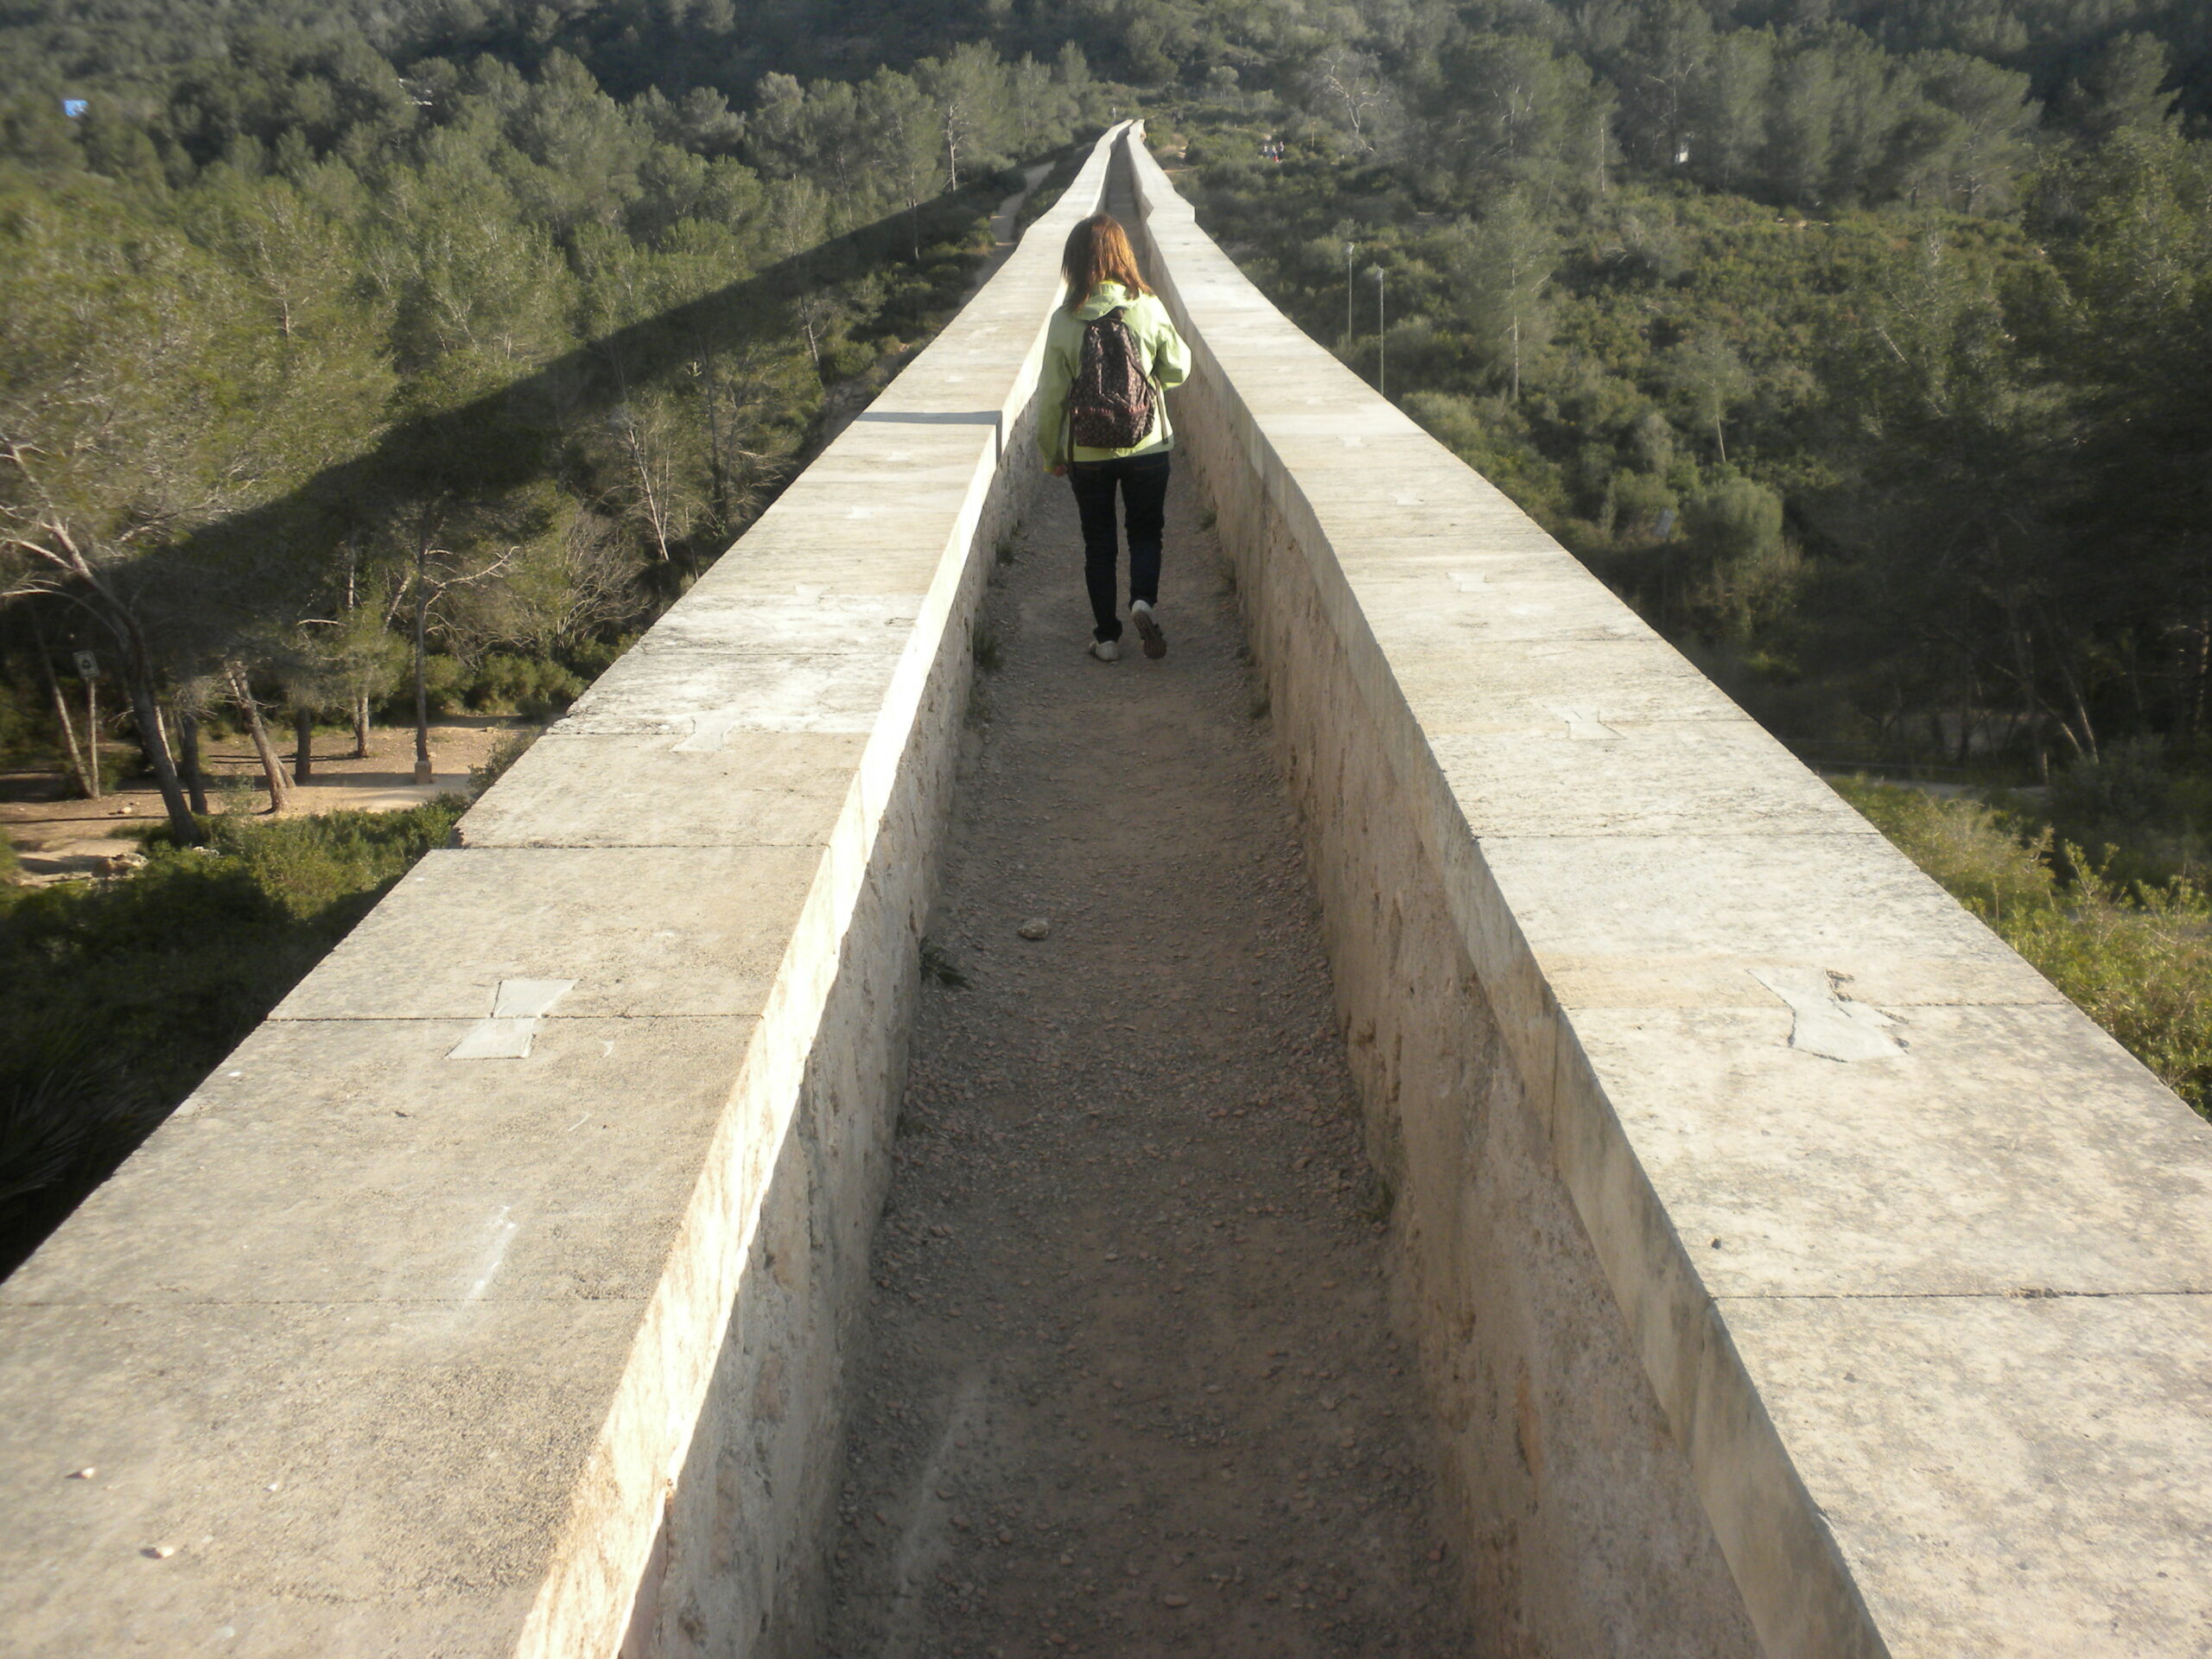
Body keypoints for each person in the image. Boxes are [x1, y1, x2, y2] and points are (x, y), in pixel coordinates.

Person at [1039, 212, 1192, 663]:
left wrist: (1052, 454)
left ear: (1074, 261)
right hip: (1148, 445)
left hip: (1088, 452)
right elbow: (1179, 368)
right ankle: (1143, 600)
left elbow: (1051, 398)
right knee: (1146, 531)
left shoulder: (1064, 321)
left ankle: (1107, 638)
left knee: (1099, 543)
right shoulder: (1146, 305)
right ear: (1123, 254)